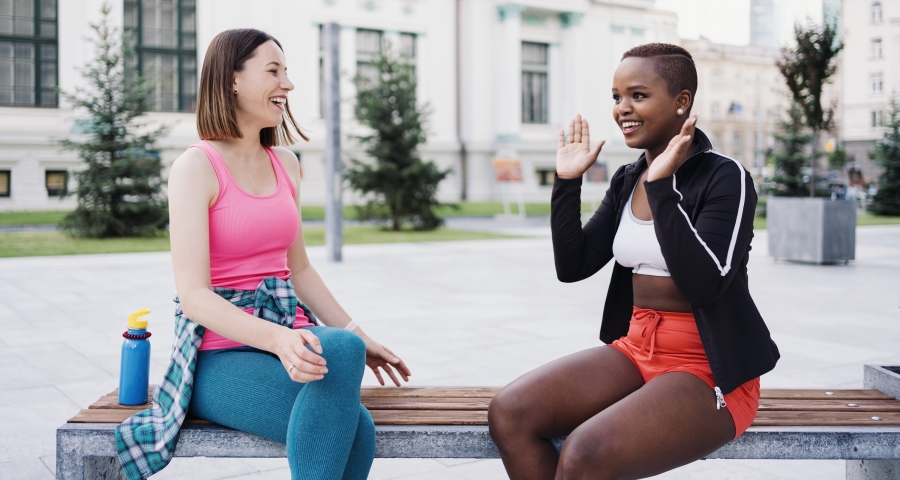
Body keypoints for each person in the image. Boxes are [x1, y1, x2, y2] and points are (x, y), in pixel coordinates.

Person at [114, 29, 411, 480]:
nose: (287, 84)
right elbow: (193, 296)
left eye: (286, 72)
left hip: (289, 344)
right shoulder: (195, 168)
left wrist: (357, 333)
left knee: (348, 367)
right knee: (357, 423)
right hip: (218, 357)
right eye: (273, 71)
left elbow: (300, 269)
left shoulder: (286, 163)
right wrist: (278, 339)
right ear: (232, 80)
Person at [488, 43, 779, 480]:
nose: (623, 108)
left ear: (682, 102)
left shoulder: (725, 176)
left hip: (708, 366)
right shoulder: (627, 179)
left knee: (586, 452)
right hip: (636, 345)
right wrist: (567, 182)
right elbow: (574, 266)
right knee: (510, 412)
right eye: (616, 97)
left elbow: (706, 283)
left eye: (638, 95)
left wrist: (662, 187)